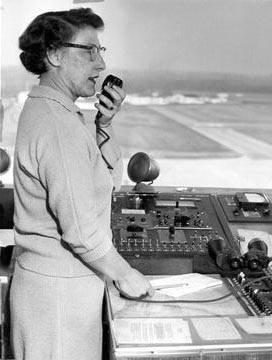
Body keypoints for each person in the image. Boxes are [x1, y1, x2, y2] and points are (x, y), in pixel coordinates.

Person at [10, 8, 153, 360]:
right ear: (55, 55)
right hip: (58, 301)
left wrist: (103, 124)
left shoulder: (56, 113)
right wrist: (127, 276)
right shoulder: (57, 125)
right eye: (88, 51)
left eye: (100, 52)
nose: (100, 64)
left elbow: (103, 185)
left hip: (60, 292)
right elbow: (82, 230)